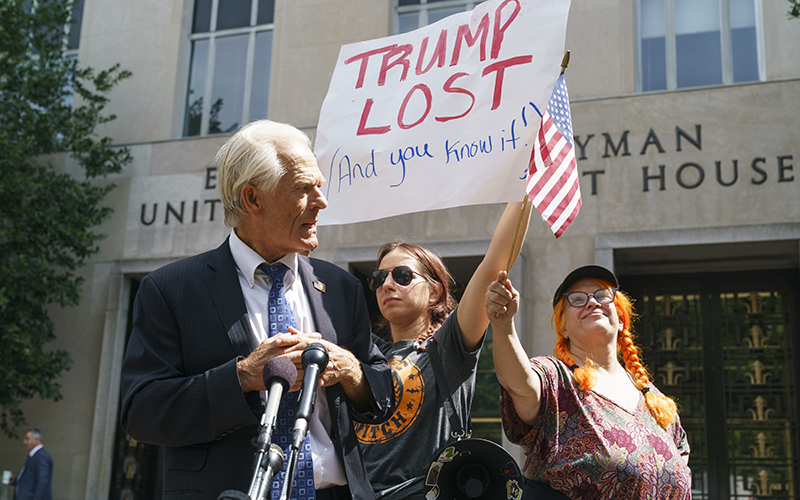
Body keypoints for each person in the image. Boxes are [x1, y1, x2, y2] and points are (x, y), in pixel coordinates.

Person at [120, 120, 393, 500]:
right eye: (303, 188)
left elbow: (382, 394)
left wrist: (348, 369)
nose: (321, 201)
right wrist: (244, 377)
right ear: (253, 198)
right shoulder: (170, 290)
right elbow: (143, 413)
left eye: (319, 186)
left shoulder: (340, 288)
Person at [354, 201, 533, 500]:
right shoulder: (363, 354)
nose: (386, 284)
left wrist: (525, 187)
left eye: (401, 275)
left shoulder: (448, 343)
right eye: (378, 278)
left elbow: (495, 261)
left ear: (434, 291)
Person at [485, 265, 691, 499]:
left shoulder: (657, 403)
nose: (592, 302)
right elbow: (519, 384)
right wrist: (503, 326)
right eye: (577, 299)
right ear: (563, 327)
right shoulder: (556, 379)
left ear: (621, 319)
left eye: (602, 295)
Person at [10, 428, 53, 500]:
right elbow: (29, 480)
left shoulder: (41, 456)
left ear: (36, 439)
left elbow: (42, 483)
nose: (24, 442)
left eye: (27, 439)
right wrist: (15, 481)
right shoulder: (34, 456)